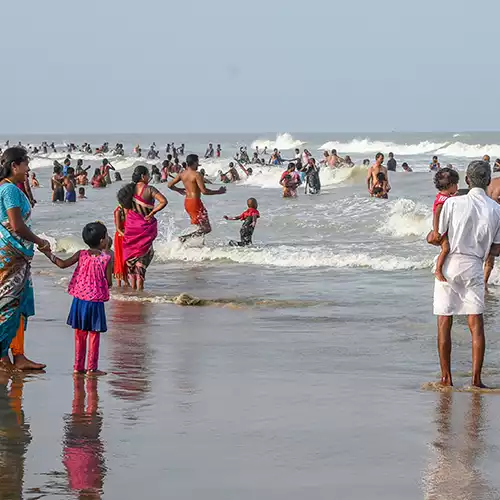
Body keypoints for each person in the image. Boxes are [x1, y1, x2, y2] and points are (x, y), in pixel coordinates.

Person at [429, 160, 500, 388]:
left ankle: (446, 378)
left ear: (467, 180)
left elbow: (439, 237)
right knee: (475, 323)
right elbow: (496, 248)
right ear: (488, 181)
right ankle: (476, 380)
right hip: (474, 266)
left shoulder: (453, 203)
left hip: (450, 264)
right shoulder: (497, 209)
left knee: (444, 321)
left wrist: (432, 238)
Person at [40, 222, 112, 375]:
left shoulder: (81, 254)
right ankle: (92, 368)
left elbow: (62, 264)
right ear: (102, 240)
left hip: (79, 300)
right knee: (94, 333)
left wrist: (48, 254)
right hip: (95, 302)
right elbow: (109, 282)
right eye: (106, 235)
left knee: (80, 334)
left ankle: (78, 367)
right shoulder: (106, 258)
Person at [0, 147, 49, 371]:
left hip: (12, 253)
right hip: (12, 254)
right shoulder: (9, 189)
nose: (28, 168)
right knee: (9, 304)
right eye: (26, 164)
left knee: (15, 304)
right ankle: (5, 355)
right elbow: (17, 225)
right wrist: (39, 241)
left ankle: (17, 355)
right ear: (14, 165)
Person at [117, 166, 167, 290]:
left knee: (131, 262)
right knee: (143, 259)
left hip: (131, 228)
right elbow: (163, 201)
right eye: (147, 174)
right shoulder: (149, 189)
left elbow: (123, 205)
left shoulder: (129, 189)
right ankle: (139, 292)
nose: (149, 177)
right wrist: (151, 213)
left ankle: (133, 294)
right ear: (143, 176)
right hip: (144, 228)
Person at [168, 154, 226, 242]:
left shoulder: (182, 174)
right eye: (197, 162)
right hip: (195, 202)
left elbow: (169, 185)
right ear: (195, 163)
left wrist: (178, 190)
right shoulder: (197, 175)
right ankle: (184, 238)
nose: (198, 164)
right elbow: (204, 191)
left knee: (199, 226)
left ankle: (200, 245)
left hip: (187, 202)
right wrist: (219, 191)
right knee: (207, 228)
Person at [426, 168, 459, 282]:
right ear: (450, 185)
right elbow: (436, 214)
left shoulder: (445, 197)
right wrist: (436, 231)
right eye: (456, 184)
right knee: (446, 248)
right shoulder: (443, 199)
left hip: (442, 227)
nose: (457, 187)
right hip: (440, 228)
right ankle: (438, 270)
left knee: (447, 249)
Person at [113, 204, 127, 287]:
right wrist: (125, 236)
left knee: (126, 259)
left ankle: (125, 280)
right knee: (119, 259)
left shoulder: (128, 209)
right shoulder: (118, 211)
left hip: (127, 236)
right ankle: (119, 283)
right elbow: (118, 228)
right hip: (120, 237)